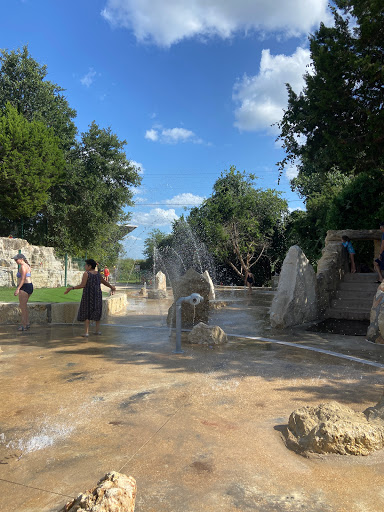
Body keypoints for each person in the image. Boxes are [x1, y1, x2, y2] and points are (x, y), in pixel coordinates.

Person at [64, 258, 116, 337]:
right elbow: (104, 282)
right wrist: (111, 287)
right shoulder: (98, 274)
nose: (84, 266)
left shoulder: (86, 273)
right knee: (97, 311)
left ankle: (86, 333)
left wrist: (71, 288)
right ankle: (97, 331)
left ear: (89, 266)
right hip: (97, 294)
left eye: (85, 265)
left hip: (88, 294)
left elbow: (82, 285)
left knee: (87, 311)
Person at [13, 253, 33, 331]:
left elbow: (23, 279)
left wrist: (18, 288)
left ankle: (24, 326)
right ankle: (27, 323)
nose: (15, 261)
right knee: (23, 306)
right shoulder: (27, 265)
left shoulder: (23, 267)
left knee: (23, 307)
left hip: (24, 287)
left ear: (21, 259)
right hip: (29, 286)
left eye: (16, 259)